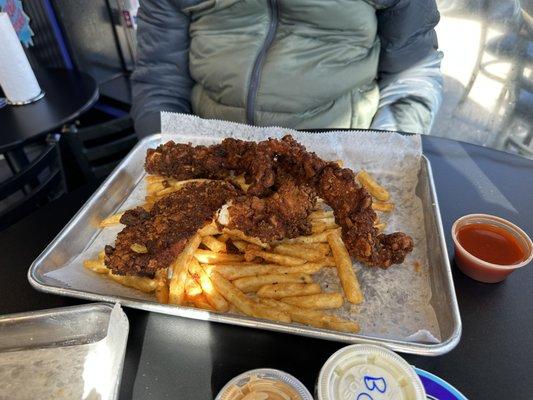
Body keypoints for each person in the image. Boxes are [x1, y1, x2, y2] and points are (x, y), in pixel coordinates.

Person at [131, 0, 443, 137]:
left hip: (342, 156)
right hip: (211, 156)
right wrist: (179, 158)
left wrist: (379, 155)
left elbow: (412, 74)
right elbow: (160, 79)